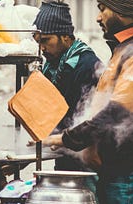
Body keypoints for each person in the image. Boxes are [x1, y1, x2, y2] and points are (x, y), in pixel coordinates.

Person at [29, 0, 133, 204]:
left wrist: (66, 138)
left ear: (122, 11)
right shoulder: (125, 48)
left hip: (130, 178)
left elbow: (116, 113)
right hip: (115, 174)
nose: (98, 17)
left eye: (103, 9)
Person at [32, 1, 102, 171]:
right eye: (38, 42)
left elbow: (91, 122)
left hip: (86, 161)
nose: (41, 48)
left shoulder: (88, 65)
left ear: (65, 36)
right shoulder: (52, 67)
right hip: (64, 154)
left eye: (46, 40)